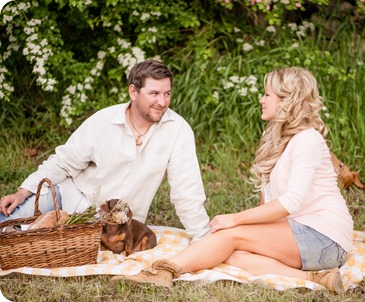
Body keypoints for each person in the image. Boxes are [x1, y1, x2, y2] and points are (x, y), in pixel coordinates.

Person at [112, 67, 354, 294]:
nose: (261, 99)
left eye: (267, 94)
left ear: (287, 101)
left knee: (228, 236)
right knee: (224, 250)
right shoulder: (276, 137)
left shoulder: (307, 140)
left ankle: (162, 271)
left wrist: (235, 220)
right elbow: (268, 199)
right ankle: (316, 279)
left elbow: (291, 202)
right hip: (302, 236)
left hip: (325, 238)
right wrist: (250, 230)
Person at [0, 59, 210, 242]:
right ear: (133, 92)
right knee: (8, 222)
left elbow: (186, 191)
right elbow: (63, 162)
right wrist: (23, 192)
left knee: (42, 245)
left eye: (167, 94)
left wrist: (202, 236)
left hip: (113, 223)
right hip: (68, 197)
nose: (162, 102)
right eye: (154, 93)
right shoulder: (104, 120)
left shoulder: (178, 130)